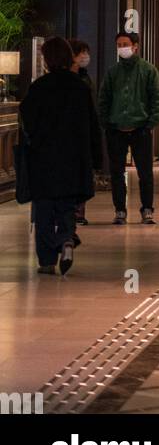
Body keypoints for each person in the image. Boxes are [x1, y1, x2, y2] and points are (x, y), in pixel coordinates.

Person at [19, 36, 102, 275]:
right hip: (74, 157)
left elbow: (28, 121)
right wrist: (96, 158)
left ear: (46, 59)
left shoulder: (38, 88)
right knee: (67, 205)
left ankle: (46, 261)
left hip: (43, 158)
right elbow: (92, 125)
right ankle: (66, 239)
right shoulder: (80, 88)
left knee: (44, 208)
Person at [98, 31, 159, 226]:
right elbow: (104, 99)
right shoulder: (113, 72)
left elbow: (157, 99)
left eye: (125, 44)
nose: (121, 48)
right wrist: (107, 124)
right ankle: (120, 210)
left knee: (145, 173)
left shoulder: (148, 70)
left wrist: (150, 124)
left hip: (140, 129)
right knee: (117, 173)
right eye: (118, 45)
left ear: (135, 46)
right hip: (116, 130)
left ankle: (147, 209)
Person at [69, 40, 98, 229]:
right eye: (81, 53)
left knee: (82, 172)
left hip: (83, 133)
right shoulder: (64, 81)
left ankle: (79, 212)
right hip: (68, 136)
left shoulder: (86, 79)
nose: (85, 57)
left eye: (86, 52)